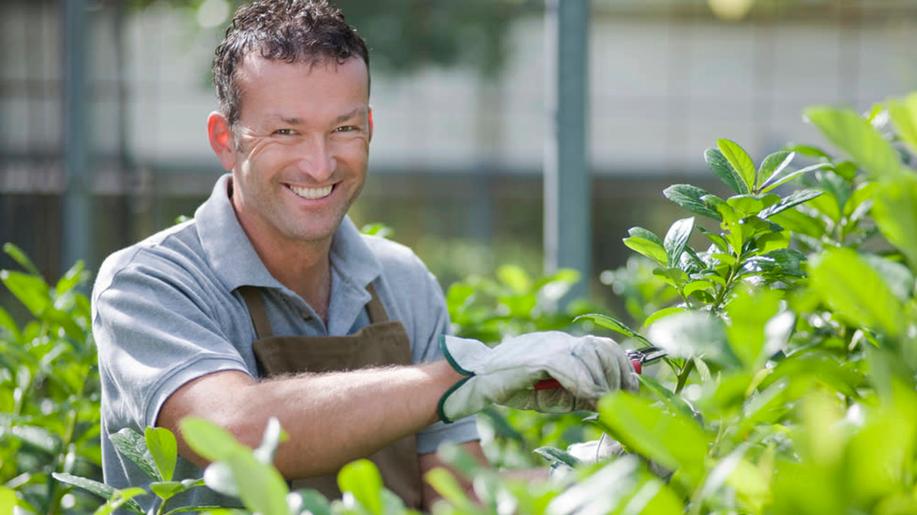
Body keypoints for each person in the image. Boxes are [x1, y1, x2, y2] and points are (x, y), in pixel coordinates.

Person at [91, 0, 637, 511]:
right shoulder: (148, 283)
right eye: (286, 132)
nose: (320, 164)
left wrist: (602, 474)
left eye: (344, 129)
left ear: (369, 129)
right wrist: (463, 377)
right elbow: (231, 432)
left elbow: (456, 497)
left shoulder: (402, 281)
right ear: (225, 140)